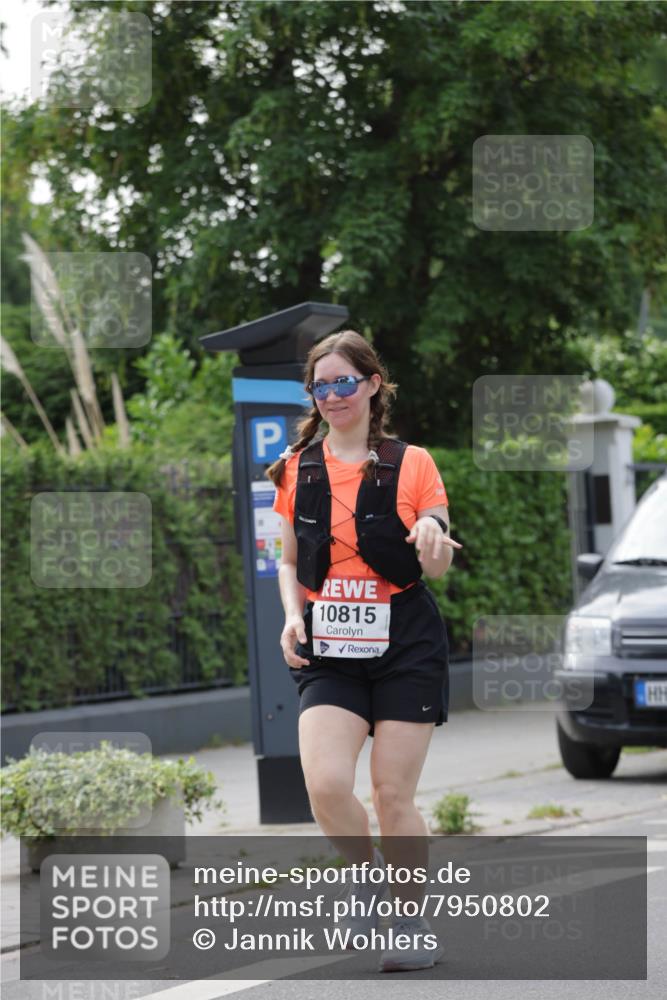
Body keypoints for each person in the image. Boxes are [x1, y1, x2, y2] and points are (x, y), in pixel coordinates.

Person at [265, 329, 461, 973]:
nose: (332, 395)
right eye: (320, 386)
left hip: (404, 640)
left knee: (391, 794)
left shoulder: (413, 463)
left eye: (344, 381)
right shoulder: (297, 468)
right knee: (323, 783)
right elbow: (291, 559)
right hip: (330, 641)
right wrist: (293, 618)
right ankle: (366, 875)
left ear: (373, 385)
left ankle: (411, 922)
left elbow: (434, 543)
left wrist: (430, 533)